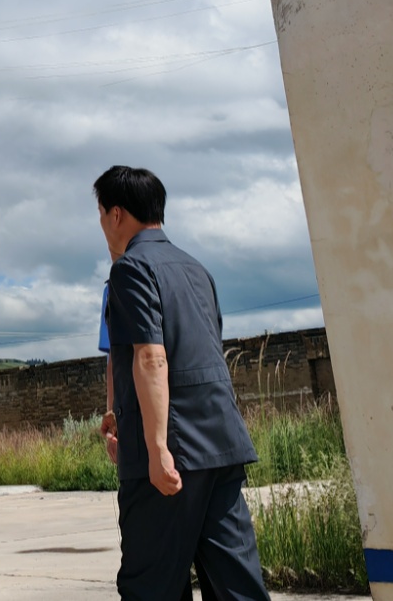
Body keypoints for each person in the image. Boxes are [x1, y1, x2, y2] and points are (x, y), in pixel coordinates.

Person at [95, 166, 270, 601]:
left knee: (150, 586)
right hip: (221, 444)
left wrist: (156, 448)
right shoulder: (197, 270)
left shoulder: (130, 269)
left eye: (100, 214)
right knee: (236, 584)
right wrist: (121, 414)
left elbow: (151, 357)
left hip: (171, 453)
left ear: (116, 214)